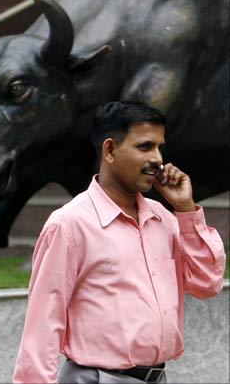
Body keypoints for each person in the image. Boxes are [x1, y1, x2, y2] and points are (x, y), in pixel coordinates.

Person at [13, 101, 226, 384]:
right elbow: (42, 325)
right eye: (145, 147)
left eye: (160, 147)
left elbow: (207, 284)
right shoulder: (70, 224)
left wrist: (186, 210)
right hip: (96, 378)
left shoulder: (163, 218)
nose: (157, 159)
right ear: (110, 150)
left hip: (157, 377)